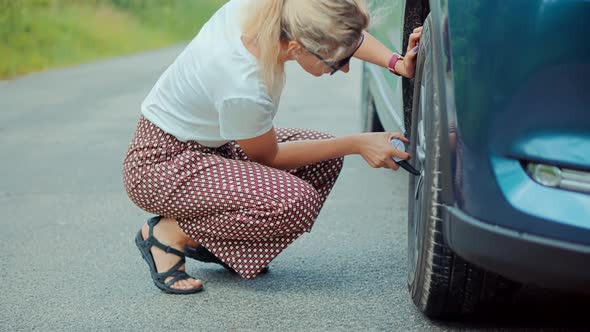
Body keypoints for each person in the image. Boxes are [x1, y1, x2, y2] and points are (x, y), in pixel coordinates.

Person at [124, 0, 422, 294]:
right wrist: (357, 143)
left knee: (323, 160)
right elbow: (269, 156)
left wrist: (396, 63)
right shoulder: (243, 82)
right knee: (294, 202)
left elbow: (341, 31)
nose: (343, 70)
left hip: (211, 148)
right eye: (336, 63)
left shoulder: (276, 13)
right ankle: (167, 234)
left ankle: (219, 244)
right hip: (162, 165)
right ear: (297, 49)